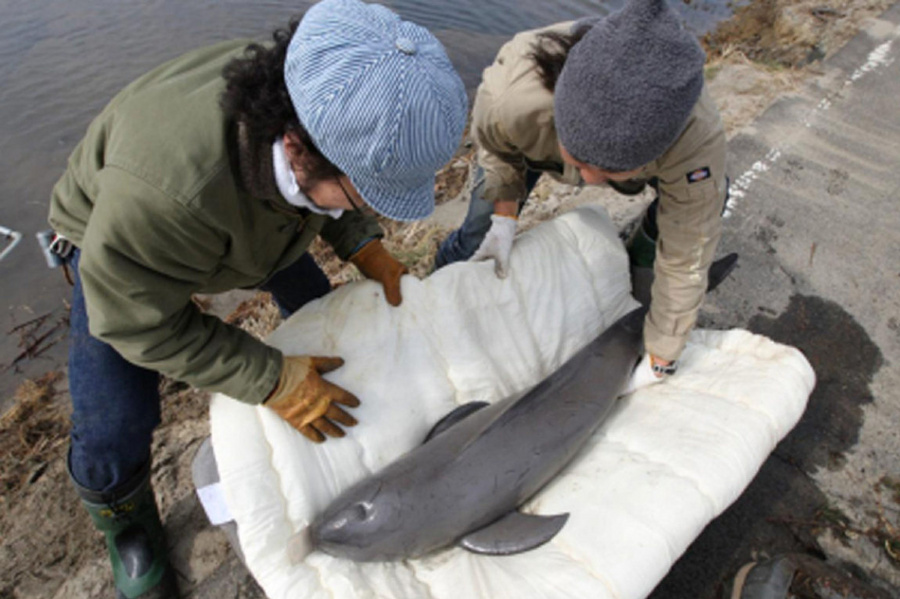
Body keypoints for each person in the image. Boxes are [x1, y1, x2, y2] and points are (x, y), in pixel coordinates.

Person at [46, 0, 467, 596]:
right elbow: (138, 322)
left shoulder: (316, 91)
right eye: (359, 194)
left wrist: (360, 242)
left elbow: (330, 186)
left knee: (319, 315)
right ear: (297, 150)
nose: (358, 204)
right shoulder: (164, 199)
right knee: (115, 417)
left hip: (266, 212)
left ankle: (325, 440)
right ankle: (127, 526)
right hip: (121, 247)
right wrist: (268, 378)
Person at [434, 0, 735, 396]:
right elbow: (498, 149)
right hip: (539, 137)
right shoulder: (514, 94)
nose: (589, 181)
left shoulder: (695, 145)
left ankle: (636, 263)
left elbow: (688, 254)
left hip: (643, 155)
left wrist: (663, 354)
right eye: (581, 162)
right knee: (477, 232)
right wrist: (504, 217)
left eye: (608, 173)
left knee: (698, 214)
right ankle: (439, 295)